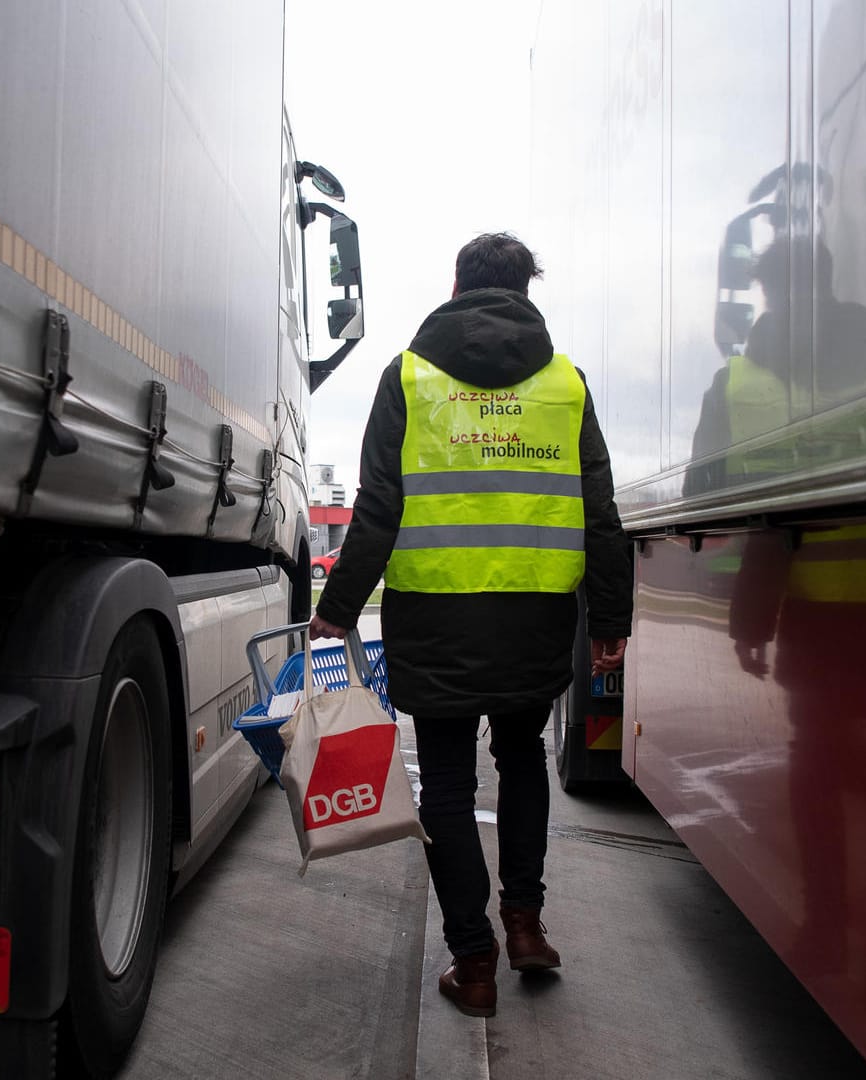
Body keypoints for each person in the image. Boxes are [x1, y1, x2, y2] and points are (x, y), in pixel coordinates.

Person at [310, 232, 632, 1018]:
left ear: (457, 286)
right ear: (528, 291)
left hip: (435, 617)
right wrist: (610, 619)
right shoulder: (567, 385)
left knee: (448, 783)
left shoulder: (409, 377)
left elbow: (378, 509)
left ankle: (474, 962)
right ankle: (525, 924)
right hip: (535, 618)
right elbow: (601, 513)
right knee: (522, 756)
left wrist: (335, 611)